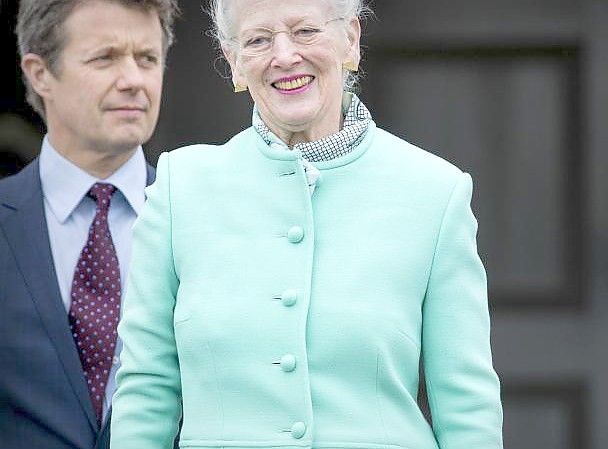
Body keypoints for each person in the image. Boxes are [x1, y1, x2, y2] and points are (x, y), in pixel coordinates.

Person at [110, 0, 503, 447]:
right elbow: (146, 389)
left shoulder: (435, 192)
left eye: (305, 32)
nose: (284, 56)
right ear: (234, 62)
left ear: (350, 40)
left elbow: (467, 407)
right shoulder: (180, 189)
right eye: (258, 40)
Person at [0, 1, 178, 448]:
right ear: (40, 74)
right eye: (105, 58)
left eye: (148, 59)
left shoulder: (208, 226)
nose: (134, 80)